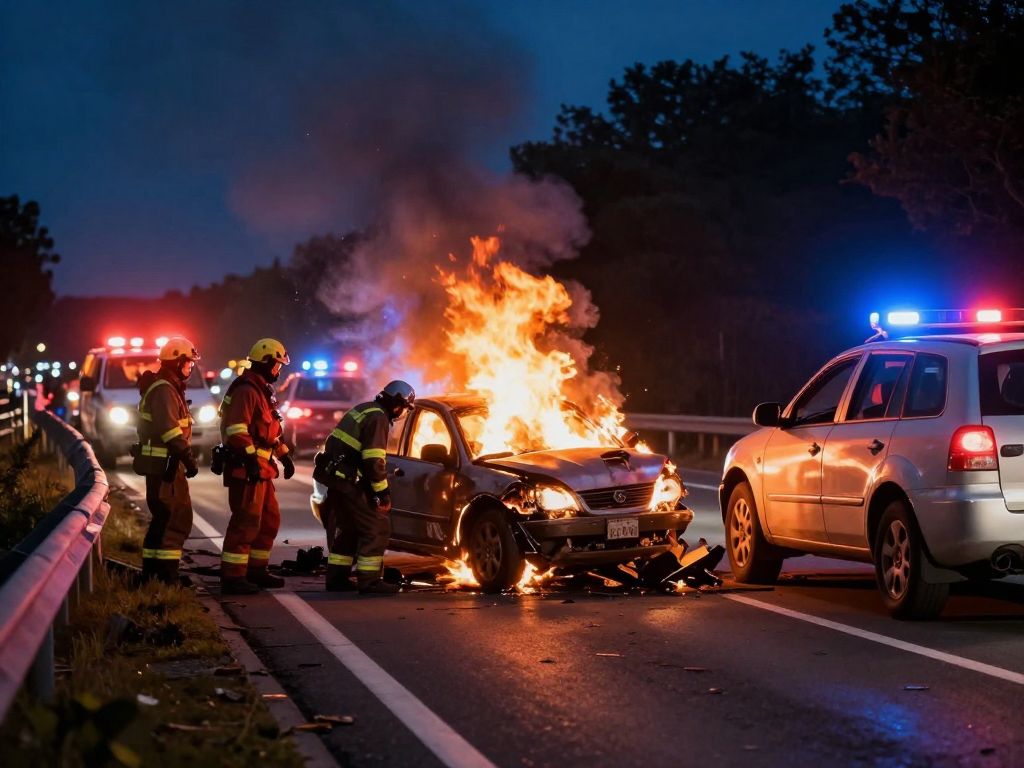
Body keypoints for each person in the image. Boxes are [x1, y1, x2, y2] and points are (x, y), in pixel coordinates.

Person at [314, 380, 415, 595]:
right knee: (376, 527)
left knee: (349, 529)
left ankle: (337, 578)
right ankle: (369, 582)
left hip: (336, 481)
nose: (401, 413)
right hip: (350, 483)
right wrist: (382, 493)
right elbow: (373, 459)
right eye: (404, 408)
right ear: (397, 404)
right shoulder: (378, 417)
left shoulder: (364, 409)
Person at [218, 338, 295, 595]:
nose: (278, 370)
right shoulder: (246, 390)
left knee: (269, 520)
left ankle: (256, 570)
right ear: (266, 362)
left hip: (262, 467)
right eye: (277, 365)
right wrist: (251, 459)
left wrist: (284, 456)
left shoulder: (263, 389)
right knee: (246, 521)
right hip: (247, 467)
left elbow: (270, 431)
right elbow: (237, 431)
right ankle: (233, 577)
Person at [133, 336, 201, 585]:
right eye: (189, 363)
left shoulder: (168, 387)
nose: (190, 368)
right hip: (166, 468)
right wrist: (187, 457)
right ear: (177, 362)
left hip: (165, 467)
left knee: (164, 520)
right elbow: (170, 431)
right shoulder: (164, 390)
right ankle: (166, 577)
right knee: (175, 519)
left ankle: (154, 574)